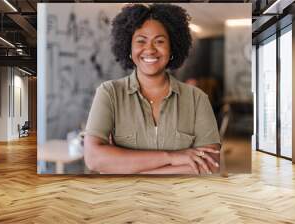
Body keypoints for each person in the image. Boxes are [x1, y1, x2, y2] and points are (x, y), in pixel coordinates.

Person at [84, 3, 221, 174]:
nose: (150, 49)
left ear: (172, 48)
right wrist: (171, 157)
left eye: (160, 41)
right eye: (141, 41)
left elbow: (211, 163)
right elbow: (93, 159)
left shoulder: (197, 98)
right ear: (129, 48)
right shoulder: (109, 93)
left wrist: (128, 170)